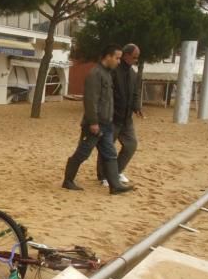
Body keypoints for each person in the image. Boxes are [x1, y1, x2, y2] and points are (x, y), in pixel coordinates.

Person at [62, 44, 134, 195]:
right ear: (108, 56)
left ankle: (115, 185)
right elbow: (90, 100)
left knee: (110, 154)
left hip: (106, 124)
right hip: (94, 125)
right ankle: (68, 181)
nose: (119, 61)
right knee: (82, 154)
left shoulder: (107, 73)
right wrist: (93, 122)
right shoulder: (95, 74)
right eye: (117, 58)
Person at [97, 43, 145, 186]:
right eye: (134, 57)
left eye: (137, 58)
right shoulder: (112, 71)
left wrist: (137, 107)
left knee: (131, 145)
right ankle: (103, 176)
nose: (136, 60)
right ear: (126, 55)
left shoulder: (134, 74)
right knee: (107, 147)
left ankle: (116, 171)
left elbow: (136, 94)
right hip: (111, 117)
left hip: (126, 119)